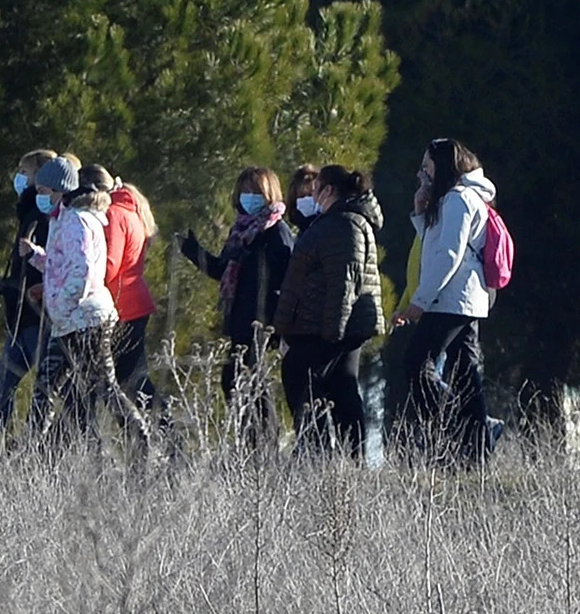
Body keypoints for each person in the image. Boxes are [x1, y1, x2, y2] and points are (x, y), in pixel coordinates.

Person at [387, 138, 498, 466]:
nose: (421, 172)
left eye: (427, 165)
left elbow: (448, 254)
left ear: (443, 166)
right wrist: (420, 215)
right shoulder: (455, 200)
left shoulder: (458, 200)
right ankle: (477, 447)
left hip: (452, 299)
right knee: (465, 372)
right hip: (461, 299)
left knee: (417, 363)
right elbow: (433, 245)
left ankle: (454, 432)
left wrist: (420, 300)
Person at [27, 154, 146, 445]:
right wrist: (35, 257)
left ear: (59, 191)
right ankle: (31, 452)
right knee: (48, 386)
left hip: (82, 321)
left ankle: (142, 441)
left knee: (102, 387)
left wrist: (63, 307)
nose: (39, 197)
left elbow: (83, 273)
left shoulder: (75, 222)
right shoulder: (64, 220)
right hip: (72, 321)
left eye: (42, 191)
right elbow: (61, 267)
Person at [179, 165, 299, 441]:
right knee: (236, 380)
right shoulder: (243, 232)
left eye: (255, 192)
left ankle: (263, 446)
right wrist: (194, 252)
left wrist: (278, 322)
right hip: (240, 319)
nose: (248, 197)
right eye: (244, 191)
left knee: (249, 383)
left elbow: (288, 279)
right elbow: (224, 269)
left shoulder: (276, 232)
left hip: (262, 322)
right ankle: (252, 443)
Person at [272, 164, 384, 454]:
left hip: (328, 325)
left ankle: (316, 448)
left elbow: (343, 281)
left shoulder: (342, 224)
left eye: (317, 189)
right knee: (341, 386)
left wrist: (332, 331)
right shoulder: (340, 221)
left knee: (300, 373)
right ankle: (347, 455)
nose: (313, 196)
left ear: (329, 190)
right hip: (334, 323)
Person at [0, 149, 64, 442]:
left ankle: (31, 444)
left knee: (36, 386)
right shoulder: (29, 213)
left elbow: (48, 265)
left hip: (36, 315)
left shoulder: (42, 216)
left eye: (24, 172)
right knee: (7, 383)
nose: (19, 178)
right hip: (22, 314)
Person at [95, 162, 162, 405]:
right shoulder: (129, 210)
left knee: (129, 381)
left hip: (123, 306)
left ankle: (165, 433)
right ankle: (145, 434)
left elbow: (110, 264)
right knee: (126, 380)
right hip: (133, 304)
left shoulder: (113, 213)